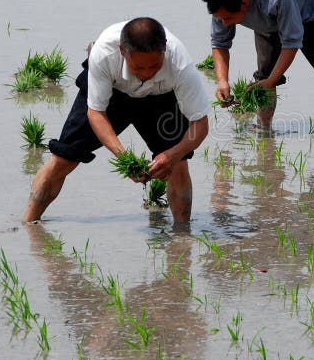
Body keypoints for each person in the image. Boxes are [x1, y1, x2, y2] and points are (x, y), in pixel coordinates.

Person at [22, 17, 211, 224]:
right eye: (138, 68)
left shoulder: (180, 63)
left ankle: (182, 235)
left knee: (178, 166)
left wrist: (172, 155)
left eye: (155, 66)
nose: (146, 74)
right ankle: (28, 225)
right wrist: (123, 157)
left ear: (164, 49)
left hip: (161, 97)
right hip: (112, 92)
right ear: (122, 51)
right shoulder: (104, 53)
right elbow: (96, 113)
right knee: (64, 157)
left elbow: (199, 124)